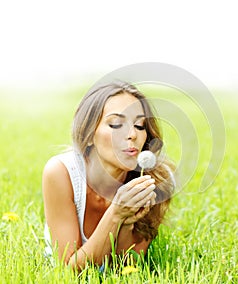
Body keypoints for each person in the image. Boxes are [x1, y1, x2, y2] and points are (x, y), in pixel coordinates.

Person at [42, 81, 175, 270]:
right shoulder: (61, 172)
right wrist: (115, 214)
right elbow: (69, 272)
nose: (132, 134)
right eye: (116, 124)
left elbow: (125, 270)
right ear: (88, 135)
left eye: (139, 126)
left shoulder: (155, 181)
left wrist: (127, 224)